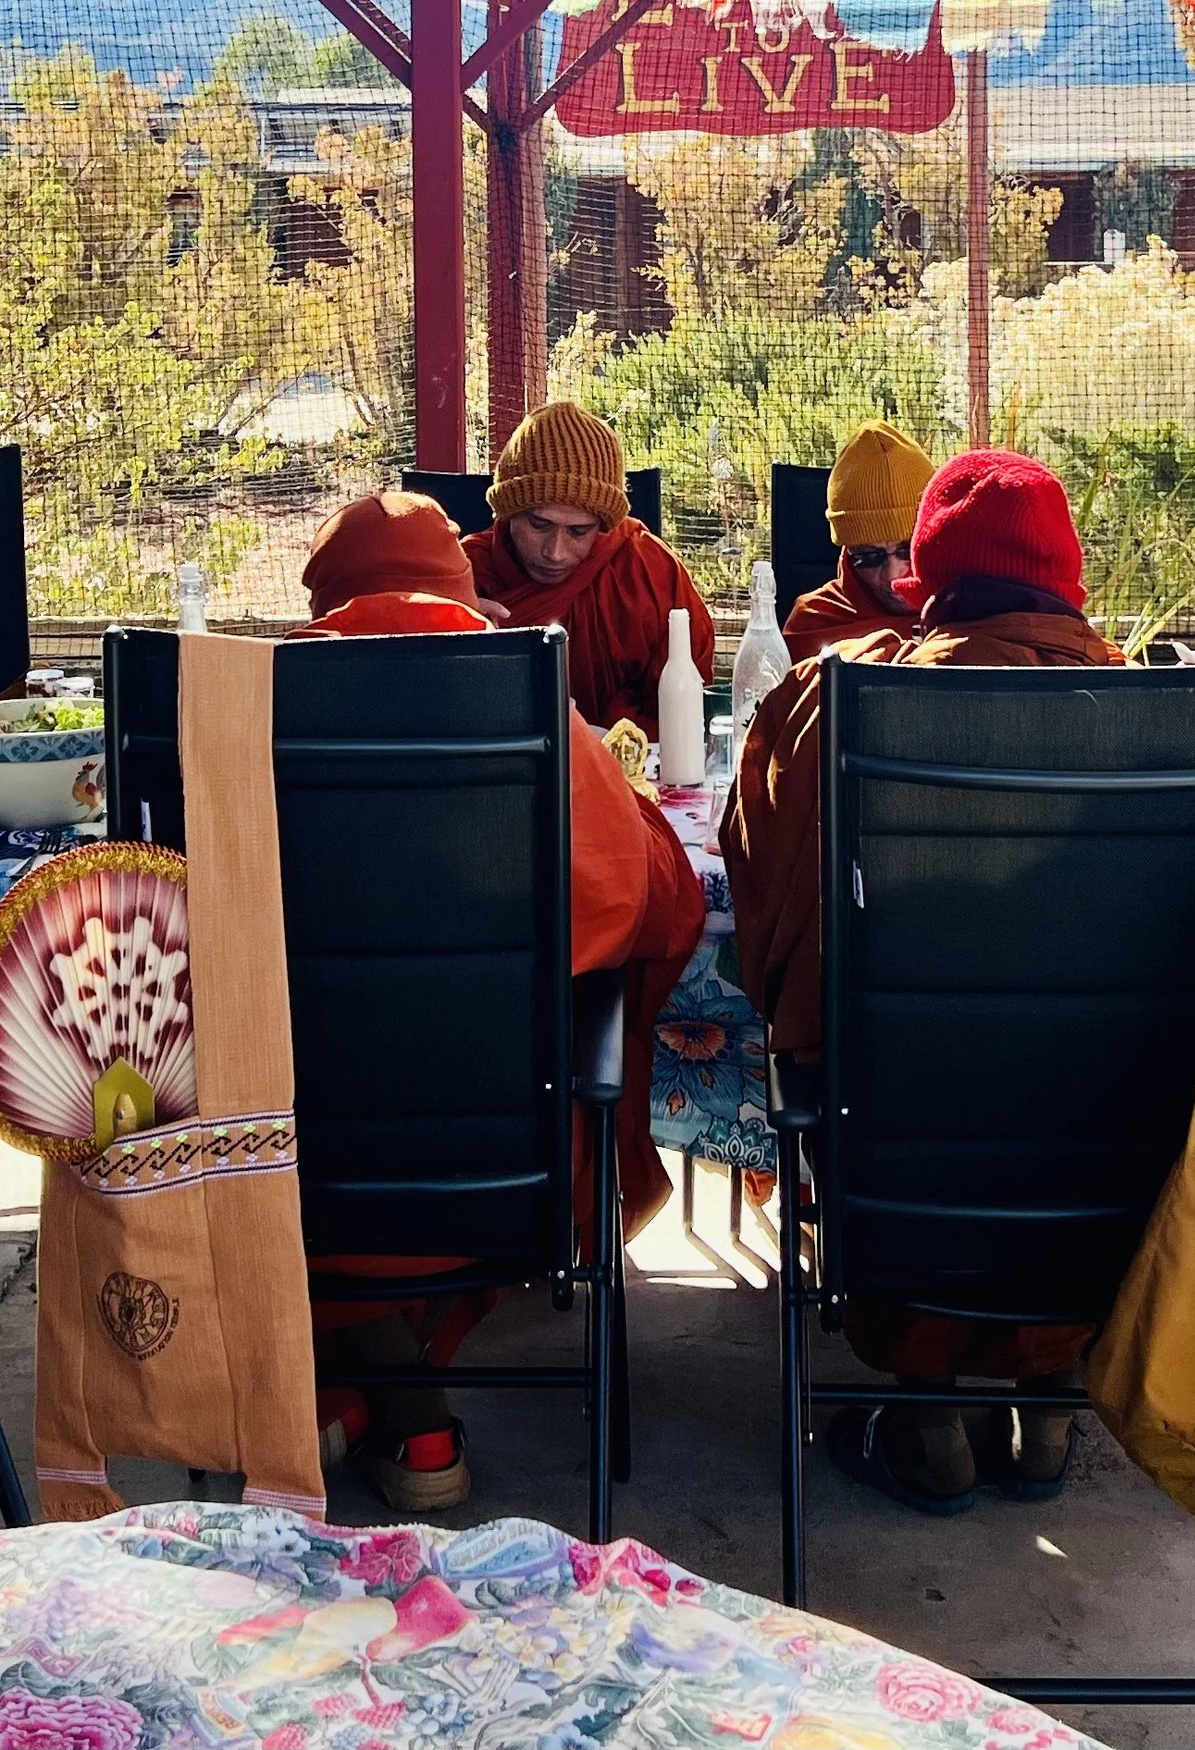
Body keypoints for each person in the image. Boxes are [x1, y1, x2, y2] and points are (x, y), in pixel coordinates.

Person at [723, 448, 1118, 1515]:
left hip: (902, 1108)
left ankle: (930, 1412)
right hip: (1103, 1116)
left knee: (904, 1079)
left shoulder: (843, 695)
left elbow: (762, 891)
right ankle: (1048, 1407)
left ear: (924, 576)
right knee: (1062, 1089)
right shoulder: (1153, 711)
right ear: (1068, 573)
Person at [295, 491, 706, 1511]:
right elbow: (651, 903)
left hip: (294, 1153)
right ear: (463, 594)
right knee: (560, 1053)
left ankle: (368, 1402)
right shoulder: (528, 708)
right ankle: (402, 1417)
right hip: (503, 1155)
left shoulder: (249, 710)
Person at [463, 401, 714, 737]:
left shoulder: (649, 573)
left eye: (579, 531)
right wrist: (449, 626)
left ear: (604, 527)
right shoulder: (462, 576)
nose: (555, 552)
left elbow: (686, 711)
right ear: (508, 514)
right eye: (539, 524)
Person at [782, 421, 935, 660]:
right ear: (848, 553)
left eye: (907, 550)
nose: (894, 575)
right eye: (869, 557)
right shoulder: (814, 624)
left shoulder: (975, 616)